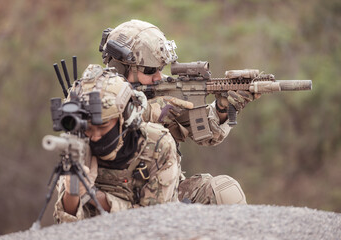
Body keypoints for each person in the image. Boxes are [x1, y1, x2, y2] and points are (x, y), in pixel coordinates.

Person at [98, 19, 258, 205]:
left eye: (160, 68)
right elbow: (107, 120)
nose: (158, 76)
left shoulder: (162, 88)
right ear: (120, 68)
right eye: (149, 70)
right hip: (116, 198)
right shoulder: (91, 93)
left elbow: (208, 135)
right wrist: (154, 111)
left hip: (165, 189)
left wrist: (223, 107)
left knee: (224, 192)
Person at [54, 65, 181, 223]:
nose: (95, 137)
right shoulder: (77, 148)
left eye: (103, 127)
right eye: (88, 129)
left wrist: (92, 195)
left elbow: (154, 220)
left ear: (125, 116)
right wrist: (72, 193)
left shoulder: (158, 144)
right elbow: (66, 228)